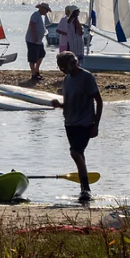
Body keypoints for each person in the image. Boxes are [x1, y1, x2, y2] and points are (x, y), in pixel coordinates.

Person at [51, 51, 102, 203]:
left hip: (85, 123)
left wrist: (96, 125)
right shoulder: (66, 80)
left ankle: (86, 189)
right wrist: (59, 105)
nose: (60, 69)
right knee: (79, 155)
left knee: (75, 152)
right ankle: (84, 190)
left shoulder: (87, 77)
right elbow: (69, 103)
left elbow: (99, 101)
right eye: (59, 66)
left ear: (72, 63)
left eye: (62, 66)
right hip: (70, 123)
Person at [26, 3, 50, 81]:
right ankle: (33, 74)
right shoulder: (35, 14)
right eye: (46, 10)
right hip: (32, 40)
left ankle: (36, 70)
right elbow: (32, 25)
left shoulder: (40, 16)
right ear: (42, 8)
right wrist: (34, 35)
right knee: (32, 57)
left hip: (38, 41)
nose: (46, 12)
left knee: (41, 54)